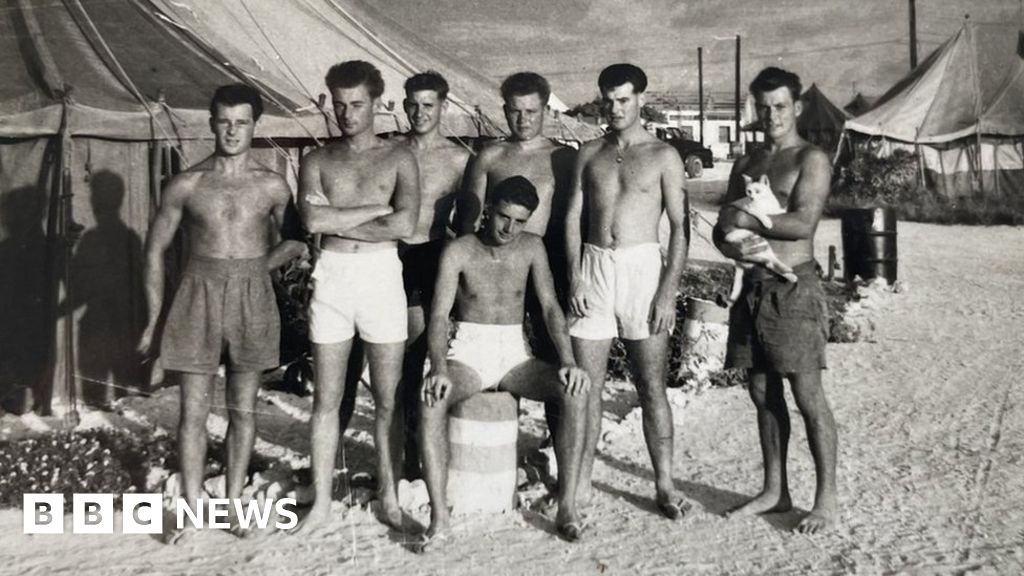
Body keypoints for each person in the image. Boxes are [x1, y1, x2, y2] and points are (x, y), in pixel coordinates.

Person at [137, 84, 305, 541]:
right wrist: (154, 318)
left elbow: (296, 238)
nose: (232, 130)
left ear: (255, 126)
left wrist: (258, 267)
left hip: (253, 298)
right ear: (211, 123)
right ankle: (191, 508)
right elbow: (154, 250)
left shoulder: (271, 183)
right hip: (198, 295)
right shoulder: (187, 184)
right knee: (192, 411)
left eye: (242, 122)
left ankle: (233, 505)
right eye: (224, 121)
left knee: (243, 411)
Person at [418, 176, 590, 551]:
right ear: (489, 210)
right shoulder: (460, 250)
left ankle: (567, 507)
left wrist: (568, 361)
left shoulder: (531, 248)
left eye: (519, 221)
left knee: (574, 393)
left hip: (514, 353)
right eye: (503, 217)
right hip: (468, 351)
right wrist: (439, 367)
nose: (509, 228)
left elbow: (549, 307)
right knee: (431, 400)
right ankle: (439, 519)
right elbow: (439, 315)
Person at [295, 60, 420, 532]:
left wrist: (339, 215)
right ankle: (322, 503)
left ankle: (389, 499)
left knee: (387, 398)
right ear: (329, 102)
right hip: (333, 278)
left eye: (358, 105)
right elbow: (311, 223)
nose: (348, 114)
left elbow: (405, 225)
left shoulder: (399, 157)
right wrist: (376, 208)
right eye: (340, 105)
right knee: (327, 399)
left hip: (382, 277)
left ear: (377, 104)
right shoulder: (317, 160)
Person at [713, 66, 837, 534]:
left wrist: (747, 218)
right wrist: (731, 240)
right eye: (763, 107)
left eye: (780, 106)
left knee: (808, 396)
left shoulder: (811, 158)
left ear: (797, 107)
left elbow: (803, 223)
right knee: (762, 391)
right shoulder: (746, 164)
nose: (771, 115)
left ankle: (826, 501)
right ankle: (775, 489)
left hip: (793, 287)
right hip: (753, 286)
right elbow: (721, 228)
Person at [565, 63, 690, 518]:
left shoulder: (663, 155)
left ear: (641, 98)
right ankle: (578, 485)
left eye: (623, 99)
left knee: (651, 385)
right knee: (586, 388)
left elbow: (680, 227)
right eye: (608, 100)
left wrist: (666, 291)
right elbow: (571, 219)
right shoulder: (588, 152)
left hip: (643, 270)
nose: (615, 108)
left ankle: (665, 484)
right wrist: (577, 275)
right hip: (595, 267)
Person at [458, 71, 576, 439]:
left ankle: (557, 456)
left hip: (547, 267)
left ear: (546, 109)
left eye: (531, 111)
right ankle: (495, 455)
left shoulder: (564, 158)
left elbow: (576, 220)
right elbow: (467, 223)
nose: (523, 119)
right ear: (505, 111)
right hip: (496, 270)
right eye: (514, 112)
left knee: (554, 363)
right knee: (498, 365)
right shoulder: (490, 156)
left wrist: (573, 278)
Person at [393, 71, 471, 478]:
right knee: (395, 358)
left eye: (428, 105)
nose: (419, 112)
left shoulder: (459, 159)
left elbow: (472, 221)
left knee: (420, 352)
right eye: (413, 104)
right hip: (391, 254)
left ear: (443, 106)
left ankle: (419, 447)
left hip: (432, 254)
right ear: (404, 104)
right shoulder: (390, 150)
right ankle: (404, 447)